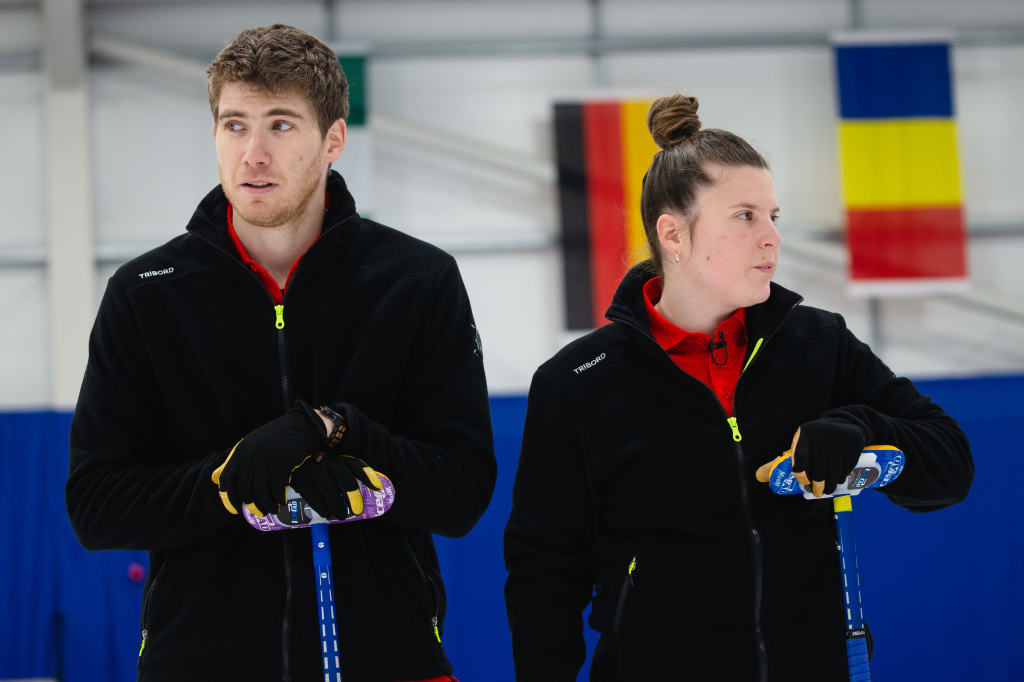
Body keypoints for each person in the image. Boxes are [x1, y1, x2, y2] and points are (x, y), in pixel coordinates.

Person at [66, 24, 496, 682]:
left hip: (391, 661)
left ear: (333, 140)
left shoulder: (418, 281)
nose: (253, 154)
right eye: (234, 126)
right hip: (200, 665)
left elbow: (462, 491)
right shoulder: (145, 296)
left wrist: (347, 436)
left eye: (281, 125)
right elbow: (96, 504)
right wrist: (229, 483)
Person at [503, 94, 973, 681]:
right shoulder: (577, 382)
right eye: (745, 215)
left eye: (775, 216)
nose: (771, 237)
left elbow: (951, 463)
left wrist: (862, 428)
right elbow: (543, 568)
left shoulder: (818, 343)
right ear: (673, 235)